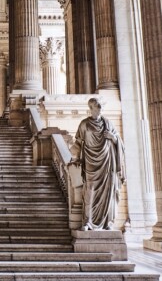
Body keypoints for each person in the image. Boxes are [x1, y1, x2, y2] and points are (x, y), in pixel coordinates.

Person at [72, 98, 126, 231]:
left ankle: (108, 222)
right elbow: (78, 144)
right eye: (97, 106)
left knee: (108, 191)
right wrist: (76, 157)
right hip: (90, 163)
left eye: (101, 106)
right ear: (91, 108)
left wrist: (113, 138)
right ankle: (87, 221)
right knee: (90, 191)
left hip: (107, 162)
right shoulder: (84, 124)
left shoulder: (108, 123)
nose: (100, 108)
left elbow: (119, 142)